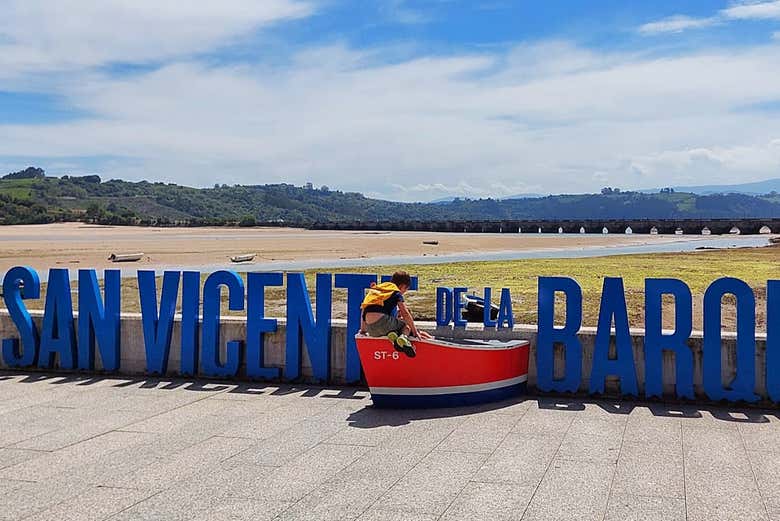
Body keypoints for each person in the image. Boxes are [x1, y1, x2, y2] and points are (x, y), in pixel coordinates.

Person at [360, 270, 433, 357]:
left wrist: (363, 330)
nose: (404, 292)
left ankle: (393, 336)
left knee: (393, 327)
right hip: (383, 321)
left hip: (371, 329)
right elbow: (405, 313)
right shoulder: (396, 292)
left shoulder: (376, 290)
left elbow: (364, 310)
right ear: (402, 286)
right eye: (405, 289)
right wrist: (414, 330)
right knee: (406, 326)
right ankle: (403, 338)